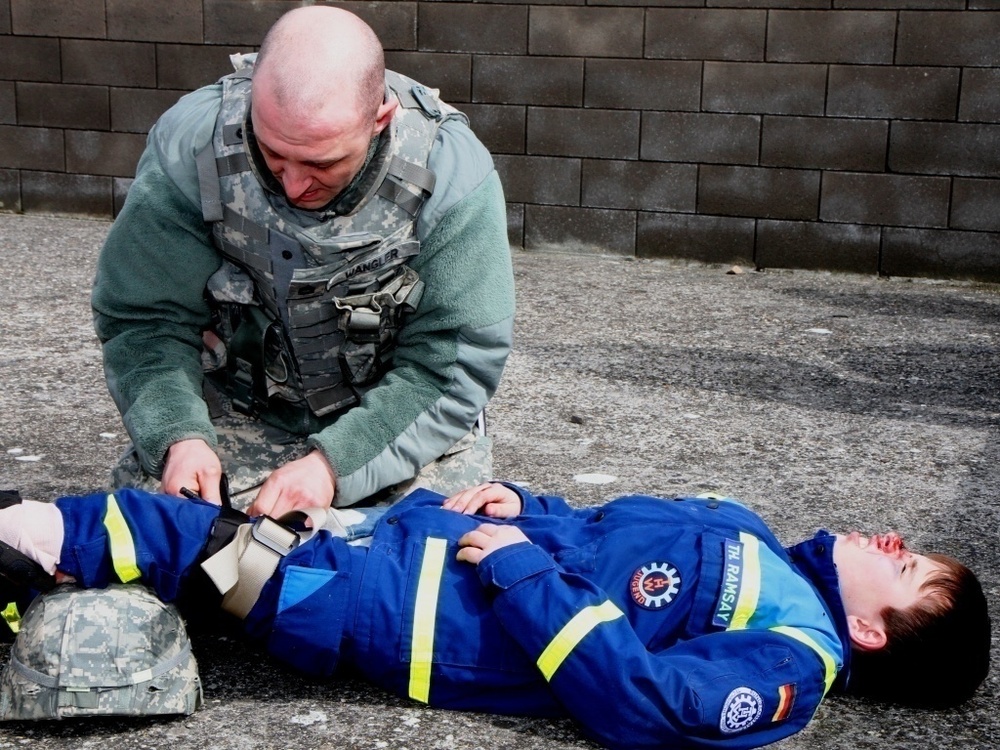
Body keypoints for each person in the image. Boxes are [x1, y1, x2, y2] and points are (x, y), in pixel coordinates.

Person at [0, 483, 990, 749]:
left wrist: (521, 571)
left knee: (197, 543)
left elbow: (639, 701)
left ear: (873, 633)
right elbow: (606, 534)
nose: (894, 543)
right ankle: (38, 565)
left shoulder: (789, 665)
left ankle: (27, 543)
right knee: (230, 547)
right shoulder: (764, 547)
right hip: (399, 554)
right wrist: (527, 510)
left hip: (395, 613)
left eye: (908, 571)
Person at [91, 6, 515, 518]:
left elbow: (449, 365)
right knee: (153, 546)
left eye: (323, 163)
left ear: (380, 120)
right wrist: (177, 435)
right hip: (234, 417)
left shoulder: (450, 174)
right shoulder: (193, 145)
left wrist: (333, 465)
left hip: (394, 425)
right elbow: (145, 319)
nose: (293, 185)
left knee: (436, 563)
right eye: (273, 154)